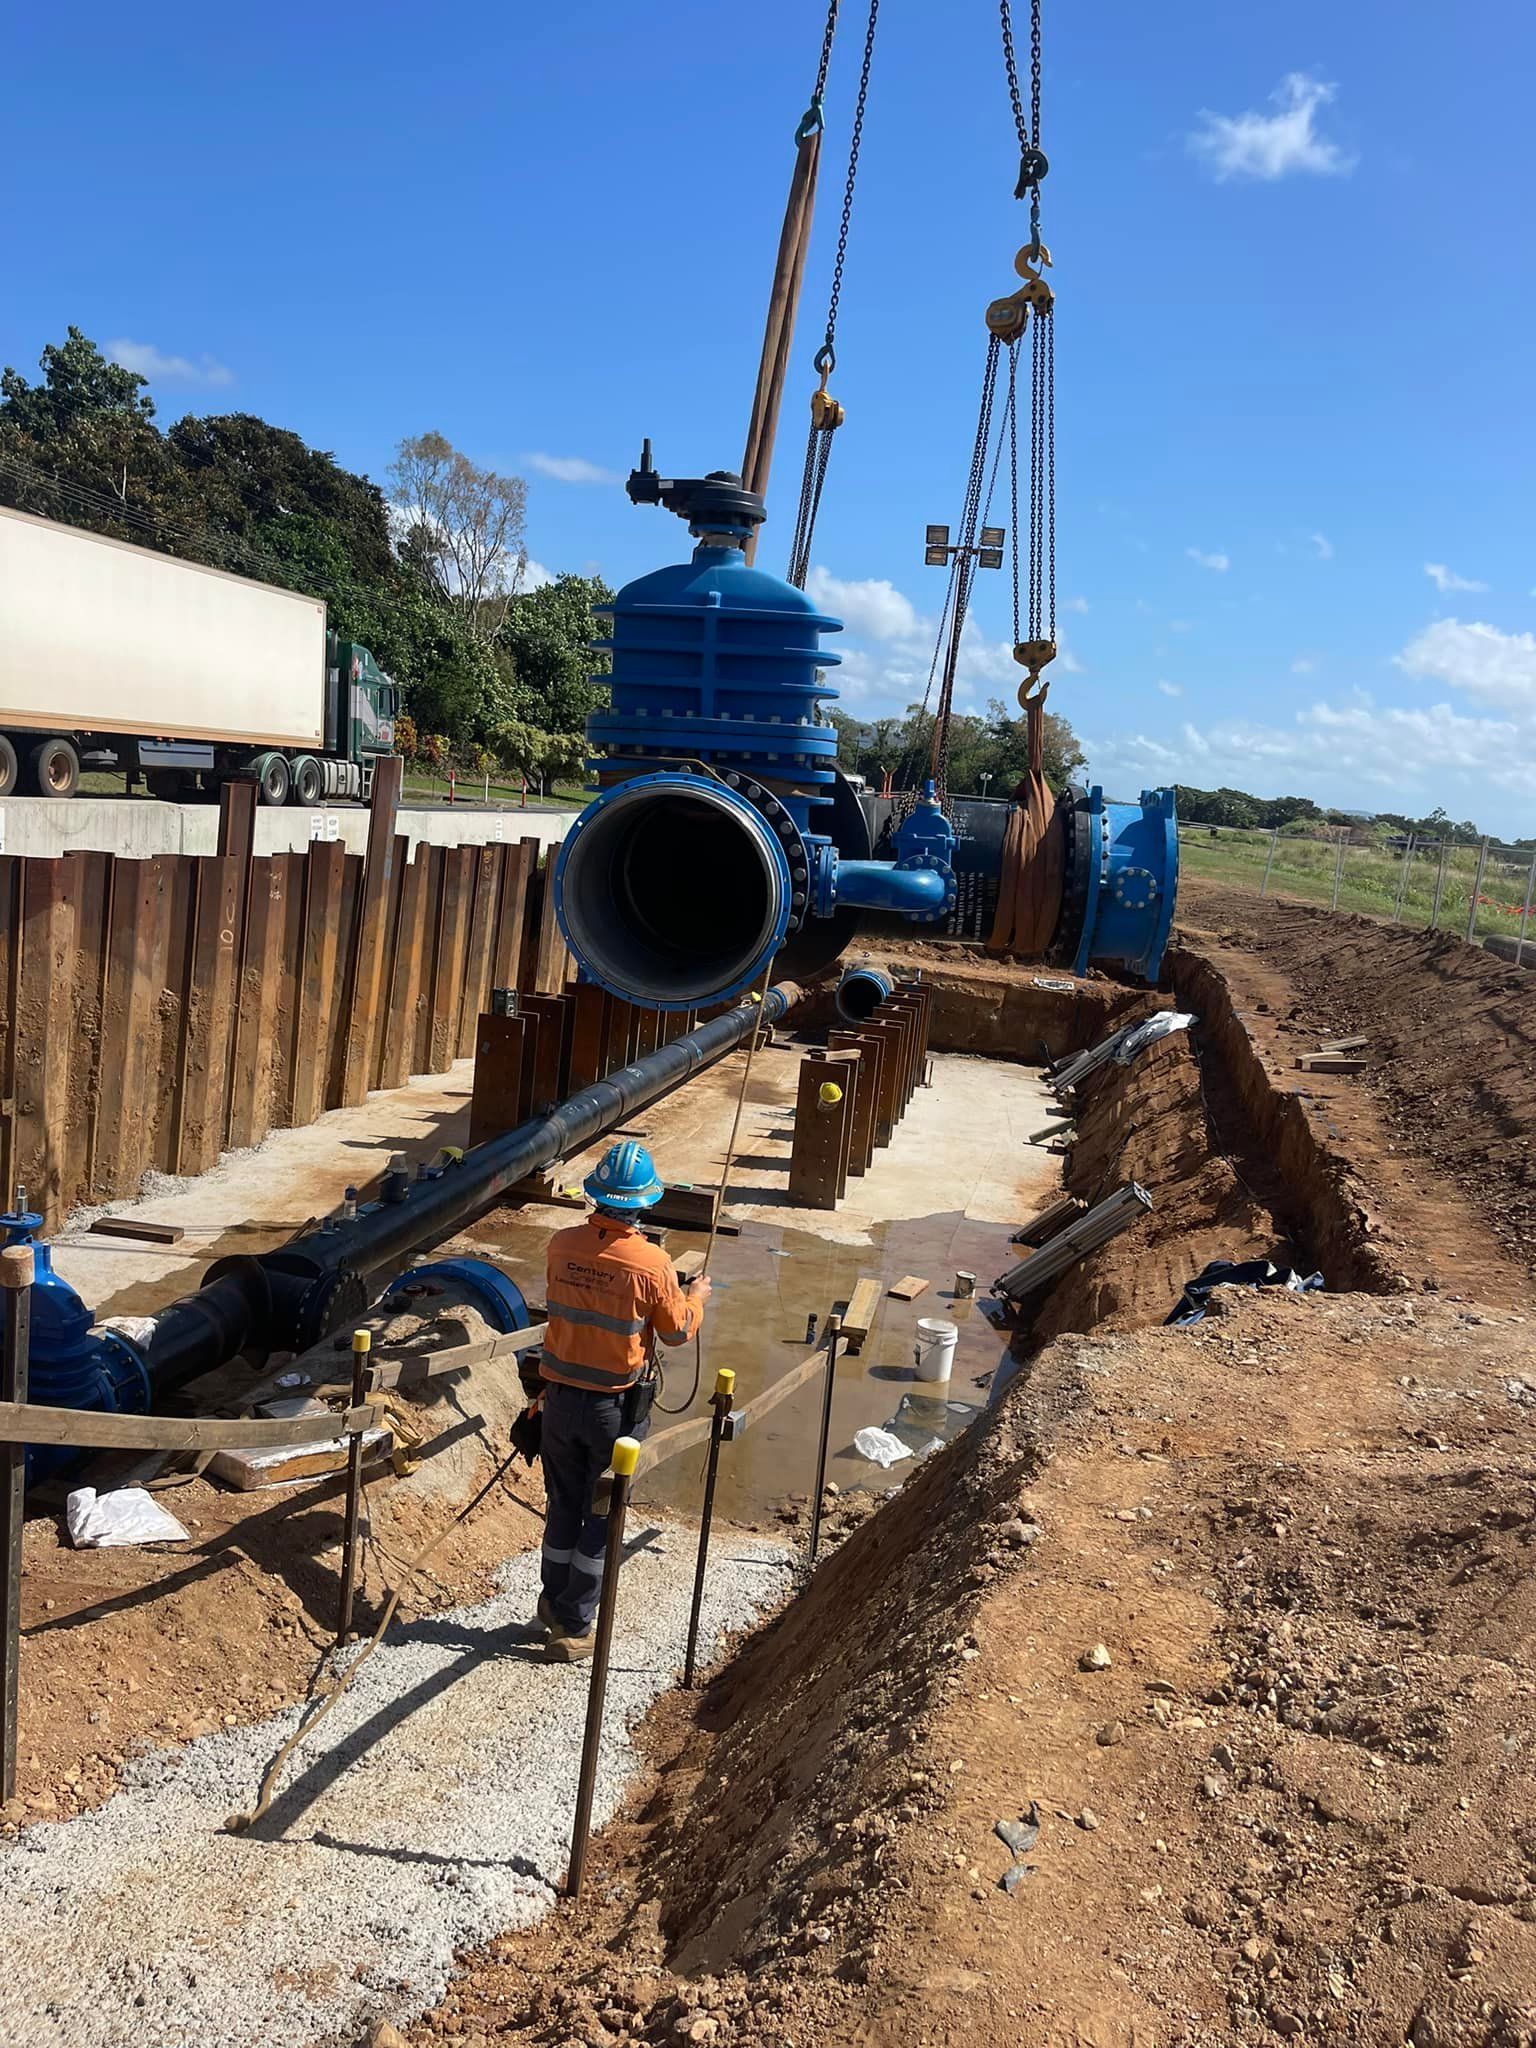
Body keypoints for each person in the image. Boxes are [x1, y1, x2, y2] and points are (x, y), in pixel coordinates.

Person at [536, 1139, 712, 1660]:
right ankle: (574, 1623)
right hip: (611, 1410)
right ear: (642, 1203)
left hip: (558, 1401)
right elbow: (676, 1332)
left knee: (563, 1504)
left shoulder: (560, 1245)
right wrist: (695, 1298)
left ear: (595, 1196)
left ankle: (553, 1600)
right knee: (602, 1513)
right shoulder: (653, 1262)